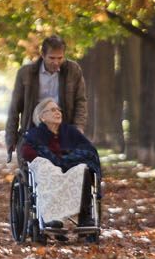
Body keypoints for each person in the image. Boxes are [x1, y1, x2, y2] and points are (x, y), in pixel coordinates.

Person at [20, 98, 100, 231]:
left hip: (70, 167)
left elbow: (88, 149)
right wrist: (47, 160)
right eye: (52, 110)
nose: (57, 112)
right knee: (46, 167)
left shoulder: (70, 131)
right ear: (42, 117)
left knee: (83, 169)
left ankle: (84, 218)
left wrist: (68, 158)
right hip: (49, 169)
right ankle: (52, 217)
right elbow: (26, 151)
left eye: (58, 109)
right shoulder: (35, 135)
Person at [5, 35, 88, 159]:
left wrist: (78, 128)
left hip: (63, 127)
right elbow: (15, 108)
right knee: (33, 166)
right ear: (43, 55)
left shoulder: (73, 71)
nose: (56, 62)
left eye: (60, 58)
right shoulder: (26, 73)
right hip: (34, 127)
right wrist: (11, 139)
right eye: (52, 58)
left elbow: (81, 101)